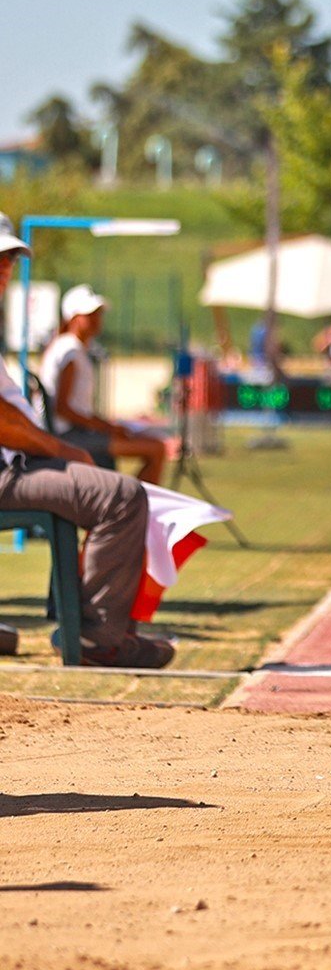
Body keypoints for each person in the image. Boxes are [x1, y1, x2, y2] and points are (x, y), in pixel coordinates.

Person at [0, 212, 174, 668]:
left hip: (19, 459)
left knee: (122, 484)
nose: (5, 269)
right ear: (76, 317)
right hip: (10, 467)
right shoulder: (70, 350)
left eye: (10, 260)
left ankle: (88, 619)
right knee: (122, 495)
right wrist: (63, 448)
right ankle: (97, 635)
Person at [39, 284, 168, 484]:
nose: (97, 319)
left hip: (76, 432)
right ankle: (131, 509)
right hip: (70, 436)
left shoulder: (71, 348)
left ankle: (131, 505)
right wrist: (106, 427)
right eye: (90, 314)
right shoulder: (70, 352)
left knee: (152, 444)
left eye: (98, 313)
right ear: (74, 318)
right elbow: (63, 409)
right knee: (156, 449)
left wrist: (105, 426)